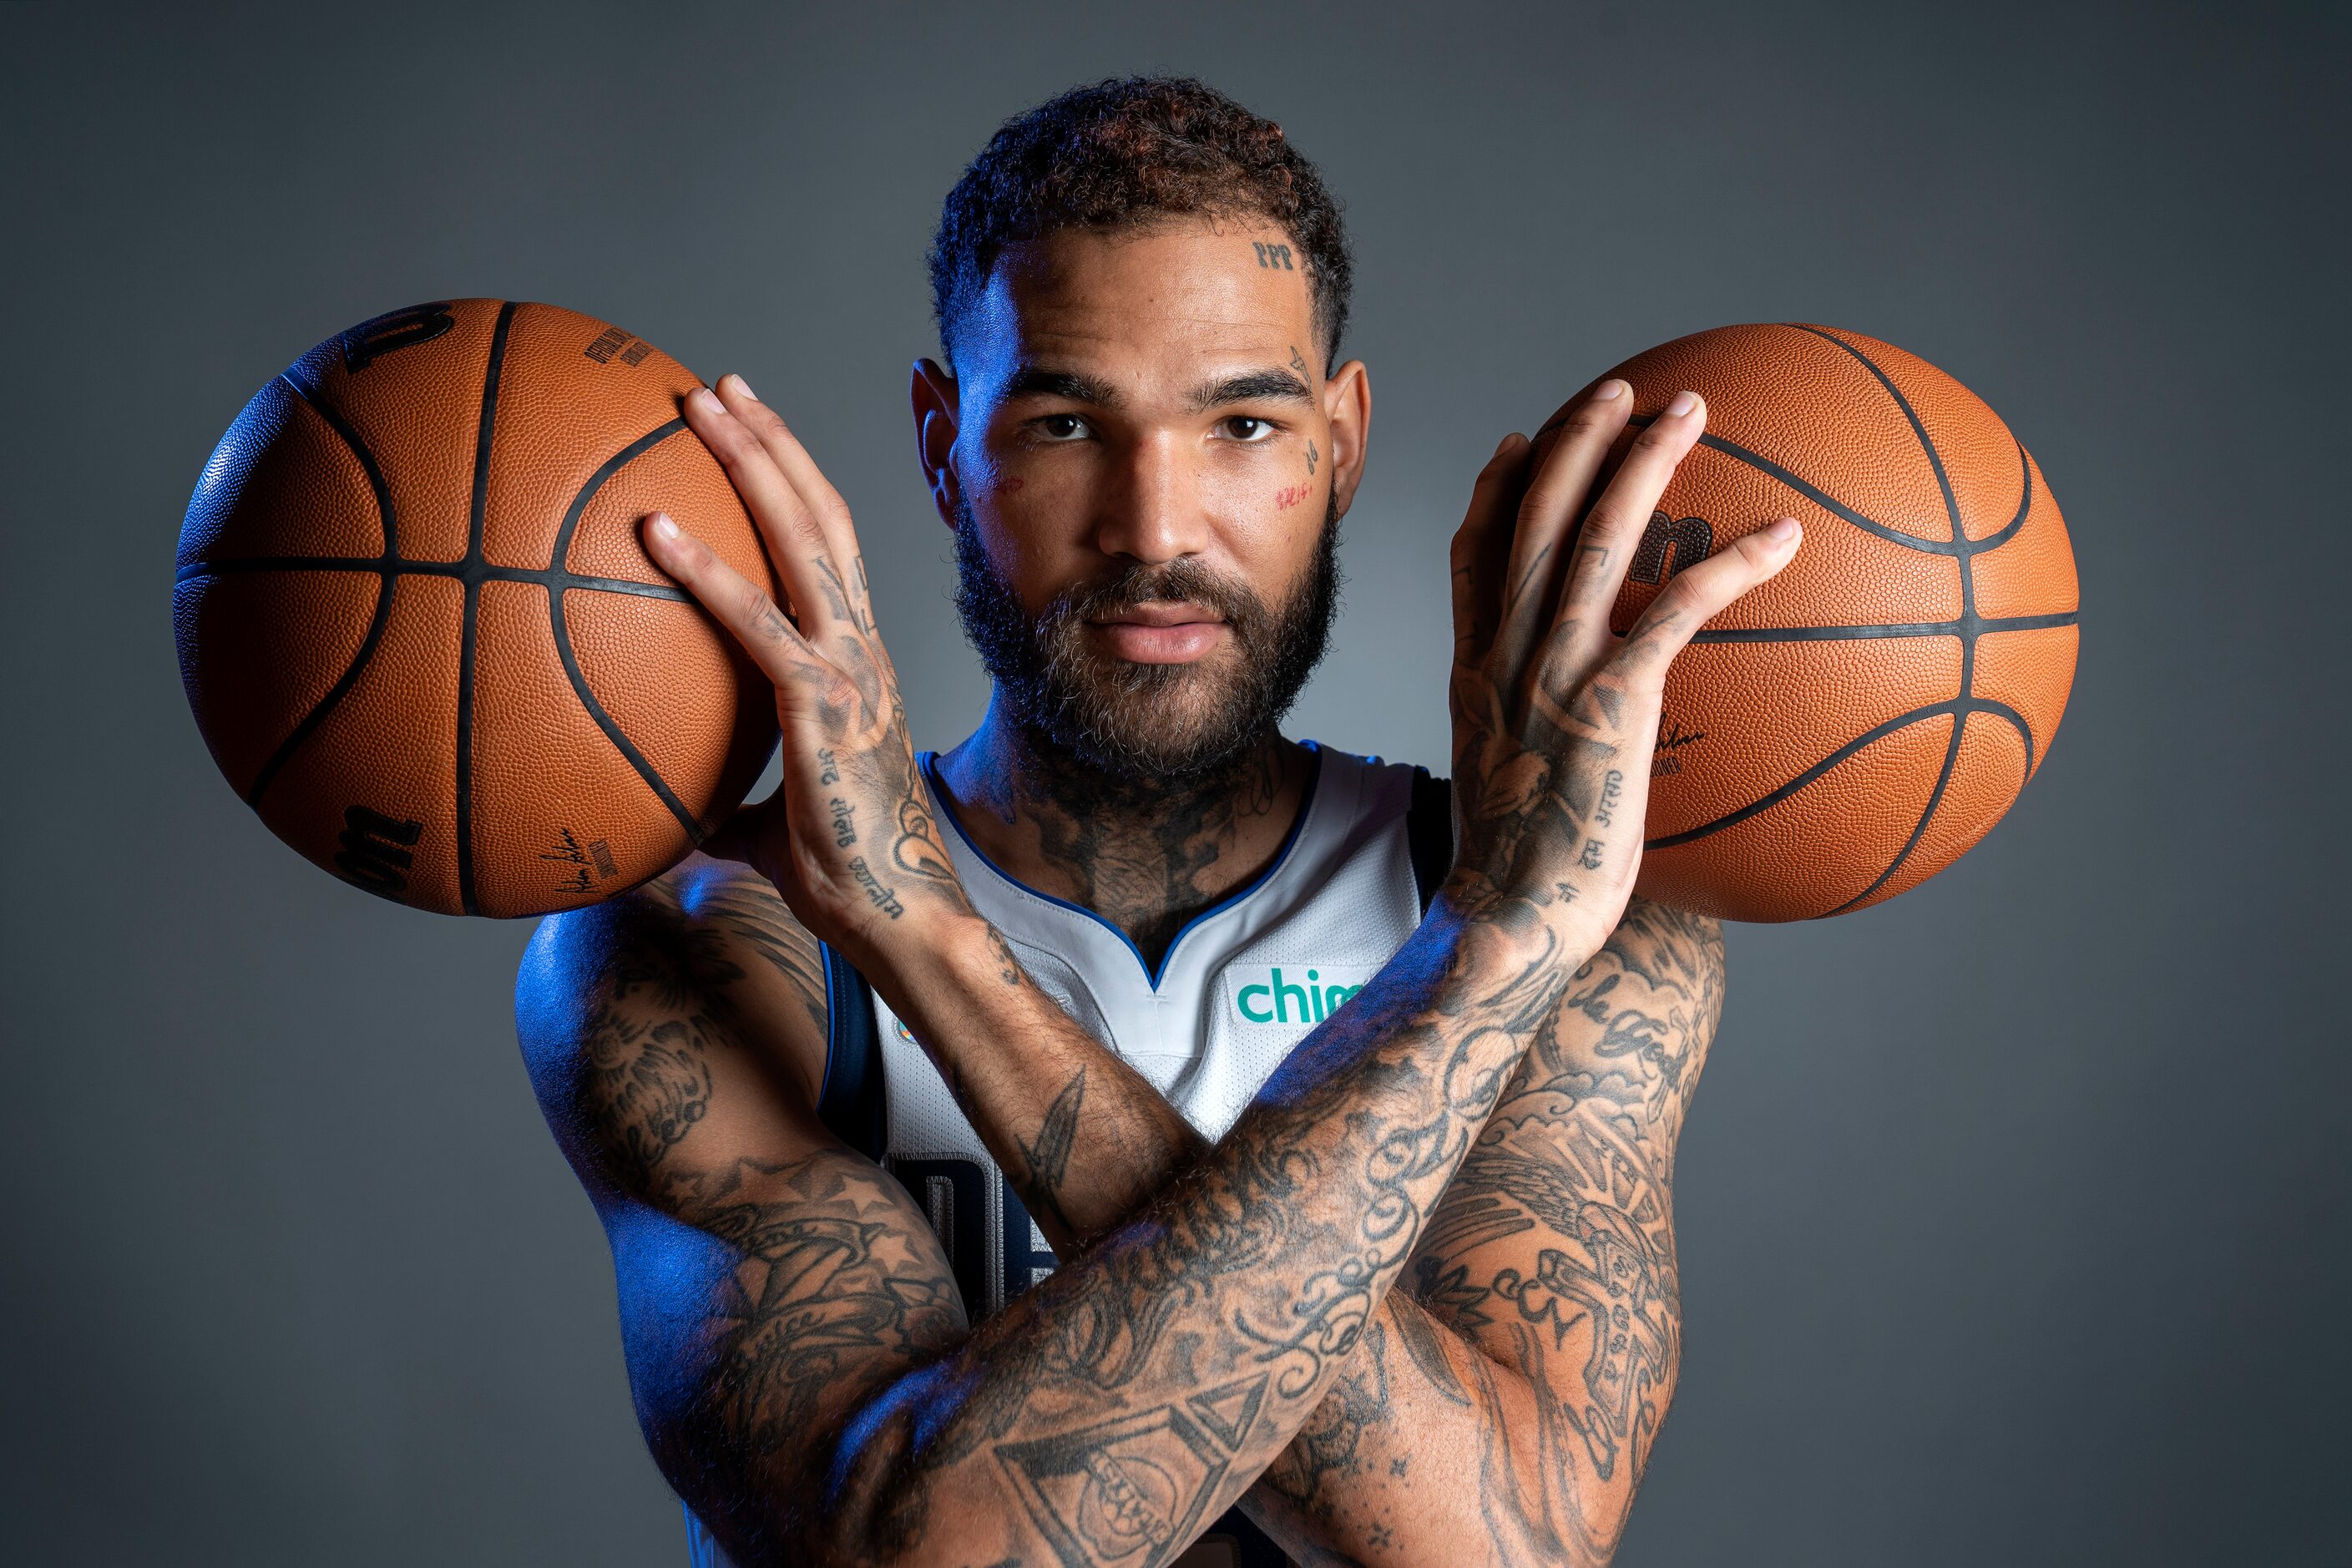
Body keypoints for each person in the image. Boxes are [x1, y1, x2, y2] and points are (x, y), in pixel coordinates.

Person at [514, 76, 1800, 1568]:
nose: (1157, 526)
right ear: (943, 446)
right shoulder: (706, 947)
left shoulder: (1567, 919)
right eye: (1066, 421)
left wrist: (1493, 940)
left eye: (1243, 424)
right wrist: (898, 922)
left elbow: (1494, 1547)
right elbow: (911, 1551)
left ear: (1343, 442)